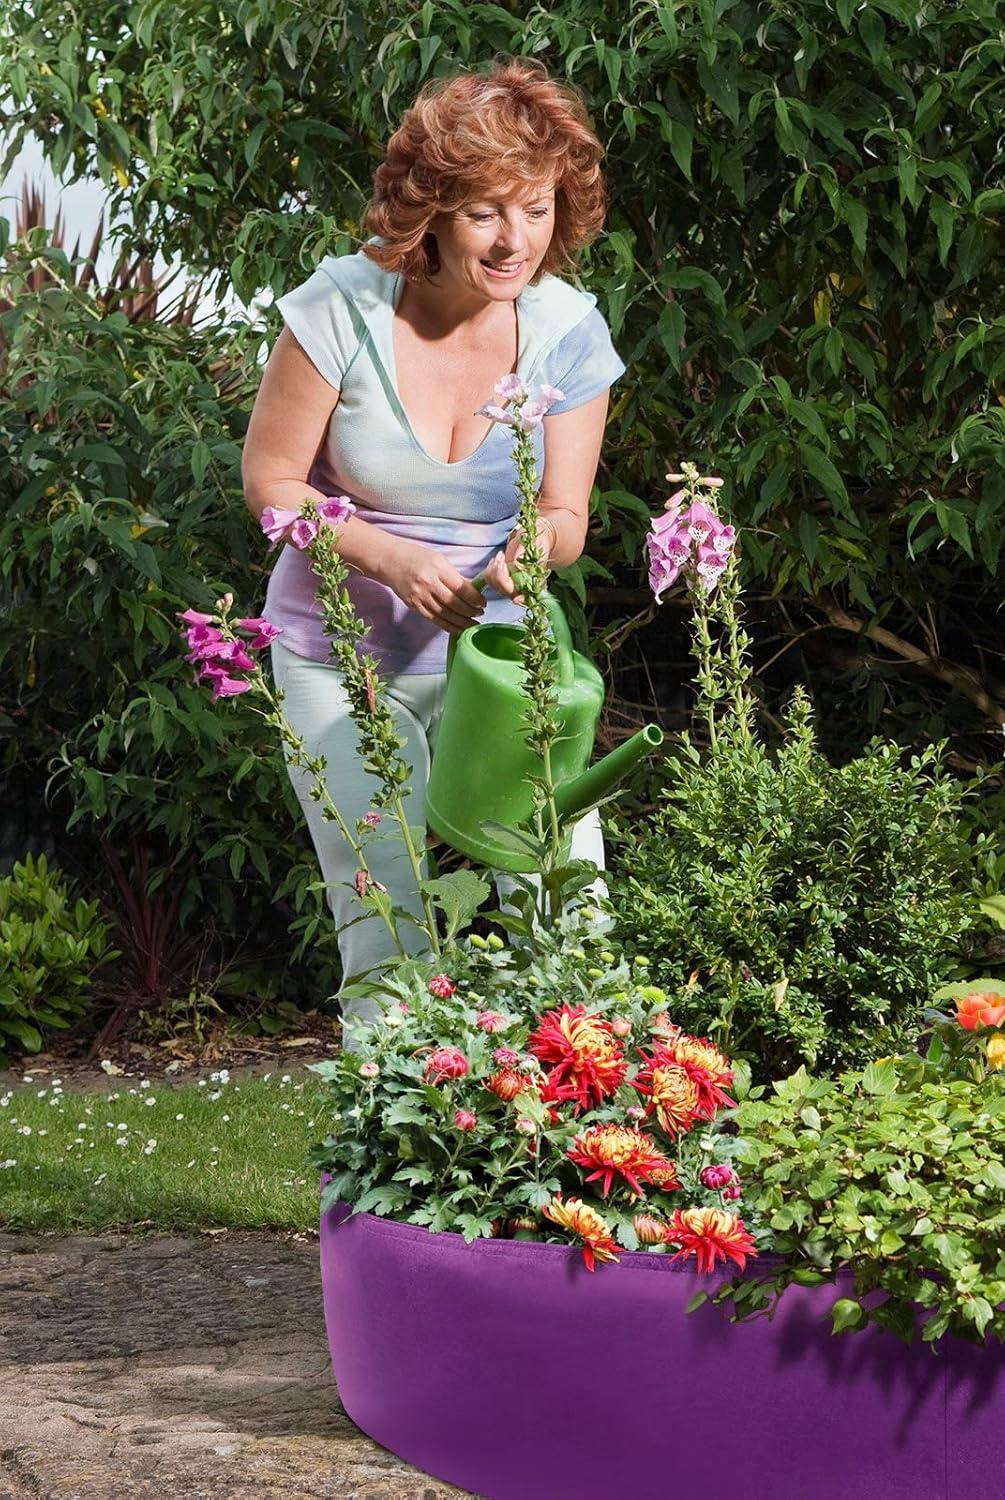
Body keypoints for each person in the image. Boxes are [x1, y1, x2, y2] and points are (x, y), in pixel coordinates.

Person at [240, 59, 626, 1042]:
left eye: (535, 209)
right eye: (485, 212)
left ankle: (588, 1124)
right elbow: (273, 484)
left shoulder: (567, 332)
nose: (514, 240)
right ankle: (387, 1136)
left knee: (567, 910)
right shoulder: (340, 308)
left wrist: (534, 549)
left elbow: (566, 514)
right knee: (386, 924)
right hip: (339, 655)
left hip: (499, 662)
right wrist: (388, 558)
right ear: (433, 213)